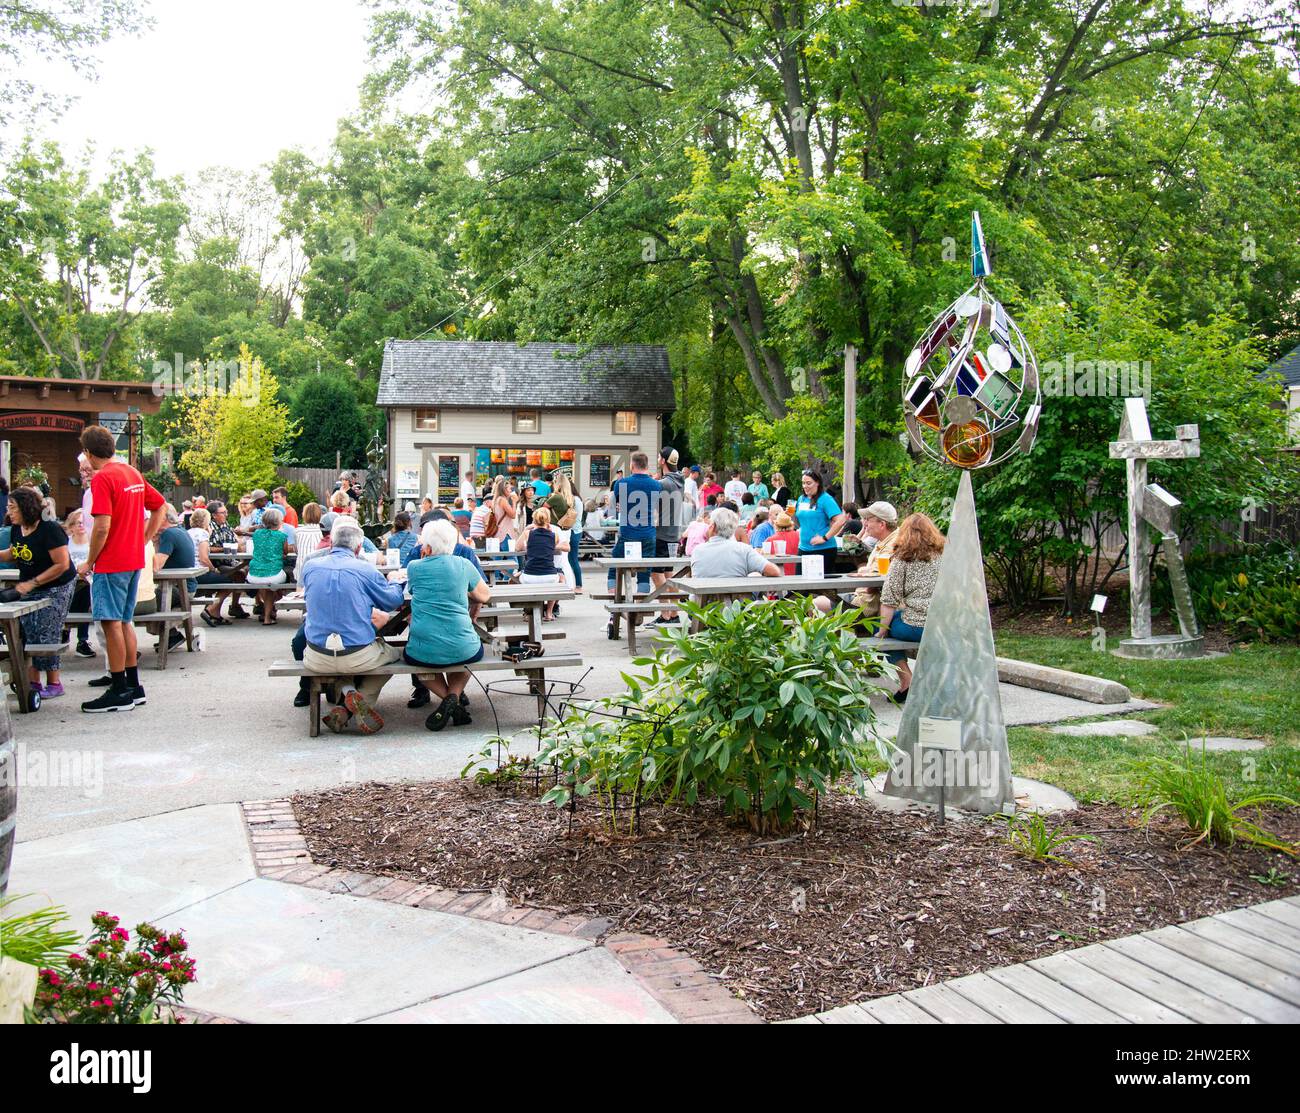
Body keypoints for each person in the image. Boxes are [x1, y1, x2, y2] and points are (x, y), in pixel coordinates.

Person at [76, 424, 166, 713]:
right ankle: (133, 685)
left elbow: (102, 525)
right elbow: (160, 505)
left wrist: (89, 561)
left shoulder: (103, 478)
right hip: (132, 559)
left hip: (111, 561)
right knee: (124, 622)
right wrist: (144, 537)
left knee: (110, 623)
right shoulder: (131, 472)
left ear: (89, 453)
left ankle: (118, 690)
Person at [300, 520, 407, 734]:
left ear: (331, 543)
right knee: (396, 655)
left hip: (316, 654)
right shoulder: (365, 569)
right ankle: (355, 703)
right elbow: (392, 602)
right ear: (359, 548)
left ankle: (346, 694)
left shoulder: (310, 567)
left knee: (341, 664)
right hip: (357, 654)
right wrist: (395, 580)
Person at [405, 520, 492, 732]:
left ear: (426, 546)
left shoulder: (414, 568)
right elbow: (485, 595)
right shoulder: (463, 565)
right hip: (464, 647)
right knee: (466, 656)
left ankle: (448, 701)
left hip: (423, 650)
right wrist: (464, 588)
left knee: (421, 668)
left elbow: (412, 591)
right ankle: (453, 698)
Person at [1, 487, 77, 699]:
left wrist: (32, 583)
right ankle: (32, 682)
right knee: (26, 630)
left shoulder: (50, 529)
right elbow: (14, 553)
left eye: (12, 507)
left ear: (26, 508)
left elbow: (61, 565)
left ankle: (54, 683)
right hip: (30, 584)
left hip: (57, 585)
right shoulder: (17, 528)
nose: (9, 512)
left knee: (46, 630)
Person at [874, 513, 945, 704]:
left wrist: (880, 631)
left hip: (917, 624)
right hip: (944, 623)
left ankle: (906, 681)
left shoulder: (901, 559)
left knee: (879, 627)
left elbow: (889, 600)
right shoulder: (945, 556)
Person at [604, 451, 661, 637]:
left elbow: (618, 504)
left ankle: (616, 609)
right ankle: (638, 608)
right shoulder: (656, 485)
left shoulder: (621, 483)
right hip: (648, 534)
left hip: (627, 533)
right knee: (644, 574)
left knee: (615, 568)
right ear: (647, 465)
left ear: (632, 465)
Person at [690, 507, 782, 579]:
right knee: (755, 575)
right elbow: (775, 571)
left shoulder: (697, 551)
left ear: (713, 527)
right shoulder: (743, 549)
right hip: (735, 602)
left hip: (702, 602)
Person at [651, 447, 686, 623]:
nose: (657, 458)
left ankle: (665, 614)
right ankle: (675, 614)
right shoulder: (680, 480)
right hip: (674, 534)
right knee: (669, 575)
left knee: (656, 574)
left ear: (663, 461)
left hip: (662, 534)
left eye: (659, 456)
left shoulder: (664, 484)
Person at [247, 507, 294, 625]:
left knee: (267, 586)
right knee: (275, 581)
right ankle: (270, 613)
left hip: (253, 574)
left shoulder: (257, 534)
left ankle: (268, 614)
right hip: (273, 574)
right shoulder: (281, 536)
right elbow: (285, 552)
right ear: (278, 522)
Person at [517, 505, 565, 619]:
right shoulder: (554, 535)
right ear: (548, 520)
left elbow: (517, 547)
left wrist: (525, 530)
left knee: (514, 579)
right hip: (550, 576)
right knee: (560, 580)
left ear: (534, 520)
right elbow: (562, 545)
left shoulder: (528, 533)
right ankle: (549, 612)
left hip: (529, 576)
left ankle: (528, 612)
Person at [794, 469, 849, 559]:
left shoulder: (825, 499)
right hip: (803, 548)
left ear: (817, 483)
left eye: (808, 483)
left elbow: (841, 520)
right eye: (803, 483)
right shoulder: (801, 499)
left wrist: (824, 538)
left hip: (823, 549)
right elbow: (803, 521)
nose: (805, 486)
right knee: (799, 573)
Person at [64, 509, 95, 657]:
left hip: (87, 583)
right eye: (78, 523)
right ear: (71, 527)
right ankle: (67, 632)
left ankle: (82, 640)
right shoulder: (66, 543)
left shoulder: (92, 542)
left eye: (84, 522)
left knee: (85, 593)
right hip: (69, 583)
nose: (81, 526)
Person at [545, 472, 582, 591]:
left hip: (557, 529)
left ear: (558, 484)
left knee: (558, 559)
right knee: (566, 560)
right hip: (567, 530)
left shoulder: (556, 497)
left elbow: (543, 508)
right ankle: (570, 585)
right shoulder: (572, 498)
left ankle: (561, 584)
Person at [766, 509, 801, 576]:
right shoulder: (799, 536)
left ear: (775, 525)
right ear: (791, 525)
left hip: (779, 575)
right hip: (798, 574)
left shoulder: (769, 540)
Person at [294, 503, 324, 578]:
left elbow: (297, 551)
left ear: (304, 515)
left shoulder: (297, 532)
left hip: (301, 573)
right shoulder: (324, 532)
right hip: (320, 573)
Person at [488, 475, 519, 543]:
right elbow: (513, 515)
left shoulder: (496, 499)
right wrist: (514, 501)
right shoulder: (502, 500)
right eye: (509, 488)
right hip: (505, 533)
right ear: (504, 489)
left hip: (498, 532)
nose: (511, 490)